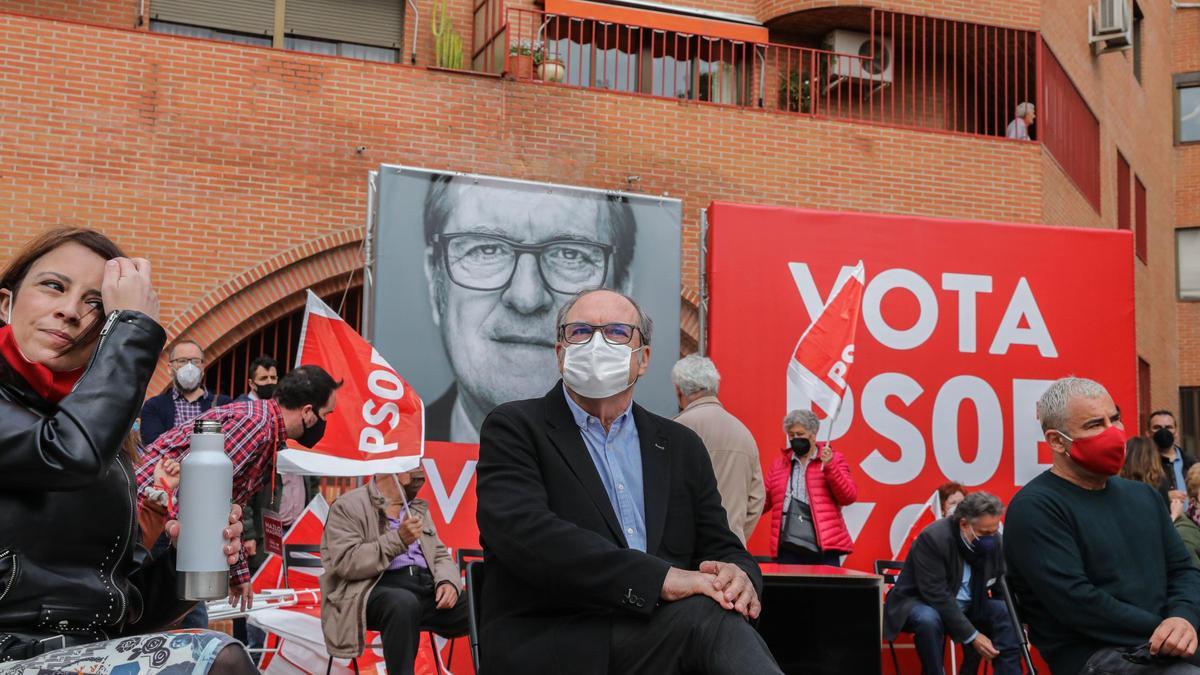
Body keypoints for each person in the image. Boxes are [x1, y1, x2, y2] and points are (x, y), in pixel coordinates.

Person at [475, 288, 783, 675]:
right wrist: (661, 579)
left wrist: (740, 576)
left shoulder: (680, 445)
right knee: (710, 622)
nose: (598, 342)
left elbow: (721, 543)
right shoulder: (516, 428)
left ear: (644, 359)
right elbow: (526, 534)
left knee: (719, 614)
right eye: (581, 331)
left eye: (618, 332)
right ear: (560, 353)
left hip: (665, 634)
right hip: (558, 639)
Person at [0, 228, 251, 672]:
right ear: (6, 304)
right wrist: (135, 330)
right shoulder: (83, 440)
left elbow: (123, 611)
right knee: (218, 658)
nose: (70, 311)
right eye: (53, 286)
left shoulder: (105, 439)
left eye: (97, 303)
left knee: (211, 648)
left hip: (81, 655)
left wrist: (188, 558)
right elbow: (65, 454)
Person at [421, 173, 638, 443]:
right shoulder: (385, 456)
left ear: (622, 292)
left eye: (570, 254)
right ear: (434, 280)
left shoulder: (668, 459)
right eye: (487, 250)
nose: (526, 298)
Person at [1005, 377, 1200, 674]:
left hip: (1168, 639)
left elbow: (1183, 570)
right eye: (1095, 424)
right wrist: (1168, 630)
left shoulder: (1144, 495)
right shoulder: (1035, 508)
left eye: (1116, 418)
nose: (1114, 432)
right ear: (1057, 441)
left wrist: (1183, 618)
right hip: (1097, 653)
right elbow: (1077, 603)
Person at [136, 365, 341, 613]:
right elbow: (199, 490)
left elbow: (227, 504)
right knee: (177, 621)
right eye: (326, 414)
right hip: (151, 518)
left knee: (183, 618)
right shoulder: (256, 426)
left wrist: (238, 574)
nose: (325, 422)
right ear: (308, 412)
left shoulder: (265, 428)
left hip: (162, 520)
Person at [320, 468, 468, 675]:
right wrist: (398, 540)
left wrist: (447, 582)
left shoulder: (415, 508)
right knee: (402, 603)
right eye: (412, 466)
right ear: (391, 471)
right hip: (372, 589)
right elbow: (347, 562)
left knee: (483, 603)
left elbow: (440, 555)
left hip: (424, 588)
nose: (420, 473)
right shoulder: (348, 506)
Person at [883, 492, 1021, 675]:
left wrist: (1017, 626)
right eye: (985, 532)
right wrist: (974, 636)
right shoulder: (933, 538)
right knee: (928, 618)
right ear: (964, 524)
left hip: (970, 604)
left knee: (1005, 611)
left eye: (994, 531)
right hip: (921, 602)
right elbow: (937, 595)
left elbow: (1000, 589)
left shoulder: (995, 541)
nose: (991, 538)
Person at [671, 354, 765, 544]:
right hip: (731, 554)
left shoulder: (675, 430)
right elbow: (757, 499)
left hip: (686, 553)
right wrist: (735, 537)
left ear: (680, 390)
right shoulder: (744, 433)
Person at [763, 409, 857, 565]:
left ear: (813, 435)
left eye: (800, 434)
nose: (795, 439)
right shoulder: (779, 464)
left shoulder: (833, 459)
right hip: (788, 546)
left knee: (825, 589)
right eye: (791, 435)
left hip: (823, 547)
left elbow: (848, 496)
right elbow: (763, 500)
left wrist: (830, 466)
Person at [140, 339, 232, 445]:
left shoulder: (223, 405)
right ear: (170, 368)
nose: (190, 367)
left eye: (195, 361)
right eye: (182, 361)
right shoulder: (154, 406)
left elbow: (229, 443)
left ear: (202, 367)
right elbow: (153, 445)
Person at [1152, 410, 1196, 498]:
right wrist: (1165, 497)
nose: (1163, 431)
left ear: (1176, 432)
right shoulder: (1143, 465)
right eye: (1157, 427)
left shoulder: (1193, 463)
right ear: (1148, 433)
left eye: (1168, 427)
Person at [1123, 435, 1173, 507]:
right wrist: (1175, 512)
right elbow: (1163, 517)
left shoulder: (1116, 485)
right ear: (1153, 458)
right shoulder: (1159, 487)